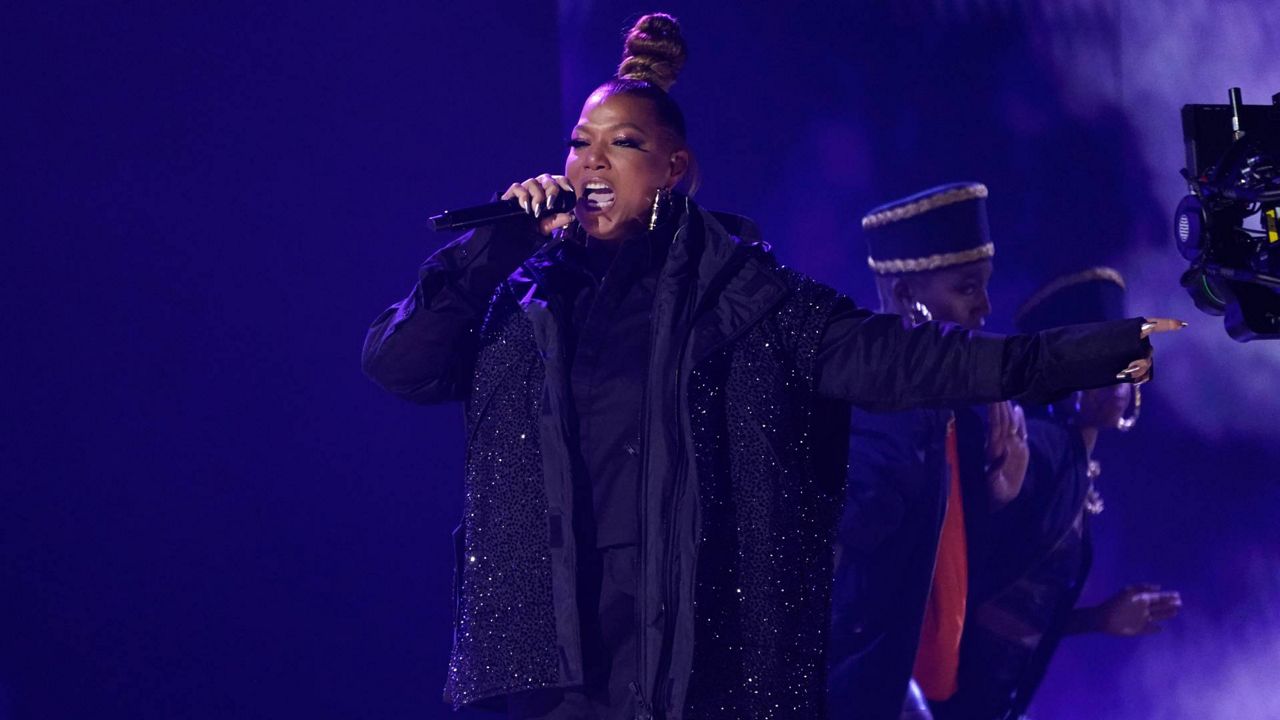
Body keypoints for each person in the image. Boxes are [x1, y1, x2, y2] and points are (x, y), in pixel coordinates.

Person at [361, 14, 1175, 720]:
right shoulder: (527, 298)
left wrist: (1096, 350)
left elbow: (911, 363)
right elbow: (401, 365)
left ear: (676, 170)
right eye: (580, 145)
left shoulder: (745, 300)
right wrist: (496, 242)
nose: (592, 164)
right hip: (558, 676)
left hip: (706, 675)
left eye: (625, 144)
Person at [930, 268, 1183, 720]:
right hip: (950, 699)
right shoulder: (1044, 448)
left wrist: (1100, 619)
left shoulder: (1075, 464)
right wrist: (998, 497)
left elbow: (1025, 616)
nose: (1118, 380)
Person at [827, 183, 1031, 720]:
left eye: (985, 287)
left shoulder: (956, 412)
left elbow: (951, 573)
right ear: (903, 298)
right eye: (967, 289)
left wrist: (995, 497)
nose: (985, 309)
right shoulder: (873, 407)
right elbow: (842, 574)